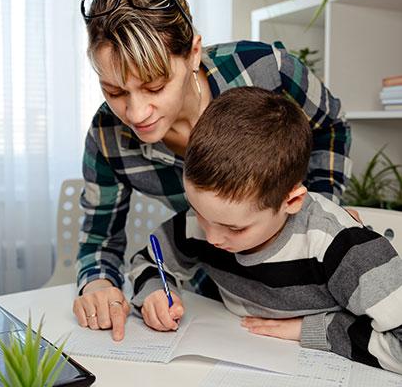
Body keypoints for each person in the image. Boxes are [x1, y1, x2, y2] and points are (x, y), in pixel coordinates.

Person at [72, 0, 352, 342]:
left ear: (192, 53)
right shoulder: (107, 136)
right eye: (114, 91)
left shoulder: (266, 71)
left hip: (312, 287)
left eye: (155, 87)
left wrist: (324, 207)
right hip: (217, 297)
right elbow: (99, 238)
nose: (136, 113)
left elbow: (331, 126)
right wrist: (97, 283)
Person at [129, 86, 402, 373]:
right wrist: (155, 293)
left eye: (234, 228)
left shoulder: (343, 248)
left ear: (292, 201)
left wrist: (311, 329)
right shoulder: (209, 219)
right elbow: (149, 260)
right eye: (199, 213)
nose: (211, 237)